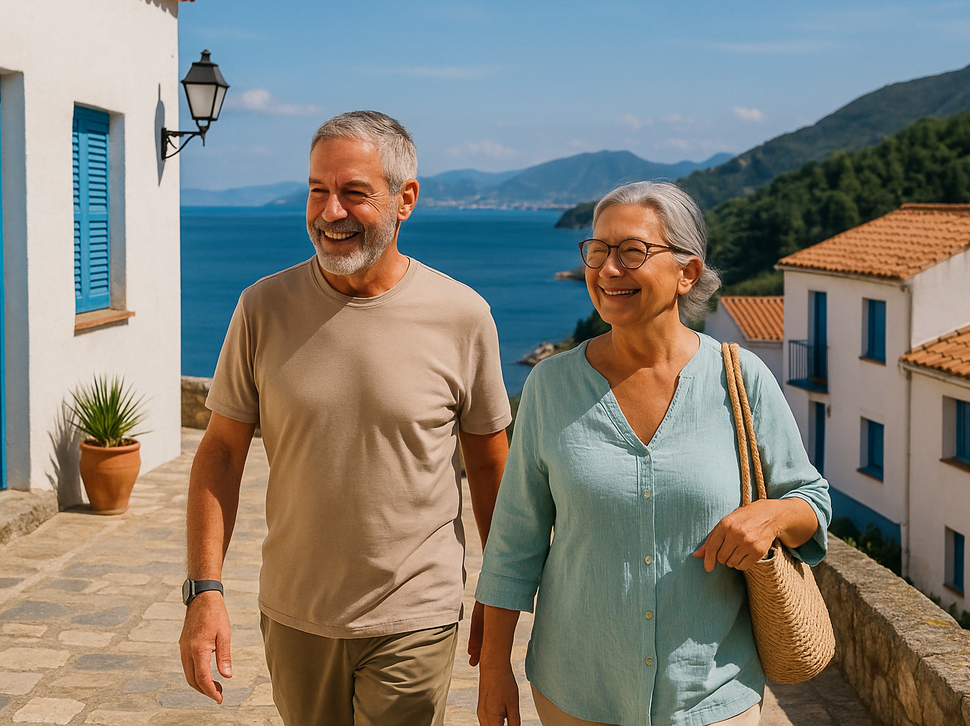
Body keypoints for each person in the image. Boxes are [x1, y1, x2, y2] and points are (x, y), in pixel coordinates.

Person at [179, 111, 512, 726]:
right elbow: (221, 453)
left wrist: (500, 590)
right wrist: (204, 593)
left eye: (354, 193)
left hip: (416, 610)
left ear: (404, 199)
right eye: (317, 190)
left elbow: (491, 463)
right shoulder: (262, 307)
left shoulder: (463, 315)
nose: (330, 212)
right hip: (295, 611)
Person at [475, 181, 831, 726]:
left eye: (632, 252)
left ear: (687, 272)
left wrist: (774, 514)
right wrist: (494, 667)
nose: (608, 269)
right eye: (597, 251)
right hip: (577, 691)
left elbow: (813, 501)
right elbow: (514, 541)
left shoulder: (741, 379)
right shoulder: (551, 386)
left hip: (713, 697)